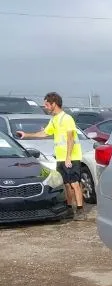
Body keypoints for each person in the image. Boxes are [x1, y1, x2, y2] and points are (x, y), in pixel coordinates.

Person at [16, 92, 86, 220]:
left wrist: (68, 157)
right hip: (60, 158)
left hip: (71, 157)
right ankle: (70, 208)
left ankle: (80, 210)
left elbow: (70, 138)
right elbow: (44, 133)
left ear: (54, 104)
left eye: (47, 104)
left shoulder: (67, 118)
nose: (45, 107)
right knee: (66, 184)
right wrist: (26, 135)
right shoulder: (54, 120)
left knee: (74, 183)